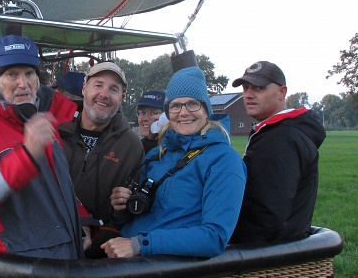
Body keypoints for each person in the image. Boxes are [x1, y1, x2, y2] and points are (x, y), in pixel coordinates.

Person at [0, 35, 85, 259]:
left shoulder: (43, 115)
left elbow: (55, 189)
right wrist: (25, 158)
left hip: (64, 262)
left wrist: (83, 219)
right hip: (15, 270)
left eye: (29, 73)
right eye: (12, 74)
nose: (23, 83)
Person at [102, 67, 246, 258]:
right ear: (168, 113)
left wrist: (140, 244)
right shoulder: (157, 155)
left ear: (206, 110)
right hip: (125, 254)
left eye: (192, 104)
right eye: (175, 106)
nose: (183, 113)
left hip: (166, 268)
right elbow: (140, 217)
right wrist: (122, 208)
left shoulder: (224, 160)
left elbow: (214, 237)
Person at [229, 61, 325, 244]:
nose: (248, 95)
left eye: (259, 88)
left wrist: (226, 238)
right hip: (282, 244)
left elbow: (269, 213)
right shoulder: (277, 132)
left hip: (271, 251)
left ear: (282, 92)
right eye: (246, 88)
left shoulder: (281, 139)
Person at [58, 62, 143, 223]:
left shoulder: (131, 147)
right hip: (50, 235)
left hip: (102, 237)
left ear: (122, 98)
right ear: (84, 88)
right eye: (98, 85)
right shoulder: (55, 132)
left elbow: (131, 214)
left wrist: (121, 208)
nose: (104, 94)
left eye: (113, 89)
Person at [136, 90, 165, 154]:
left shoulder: (174, 149)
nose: (145, 118)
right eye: (142, 112)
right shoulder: (134, 147)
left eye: (154, 113)